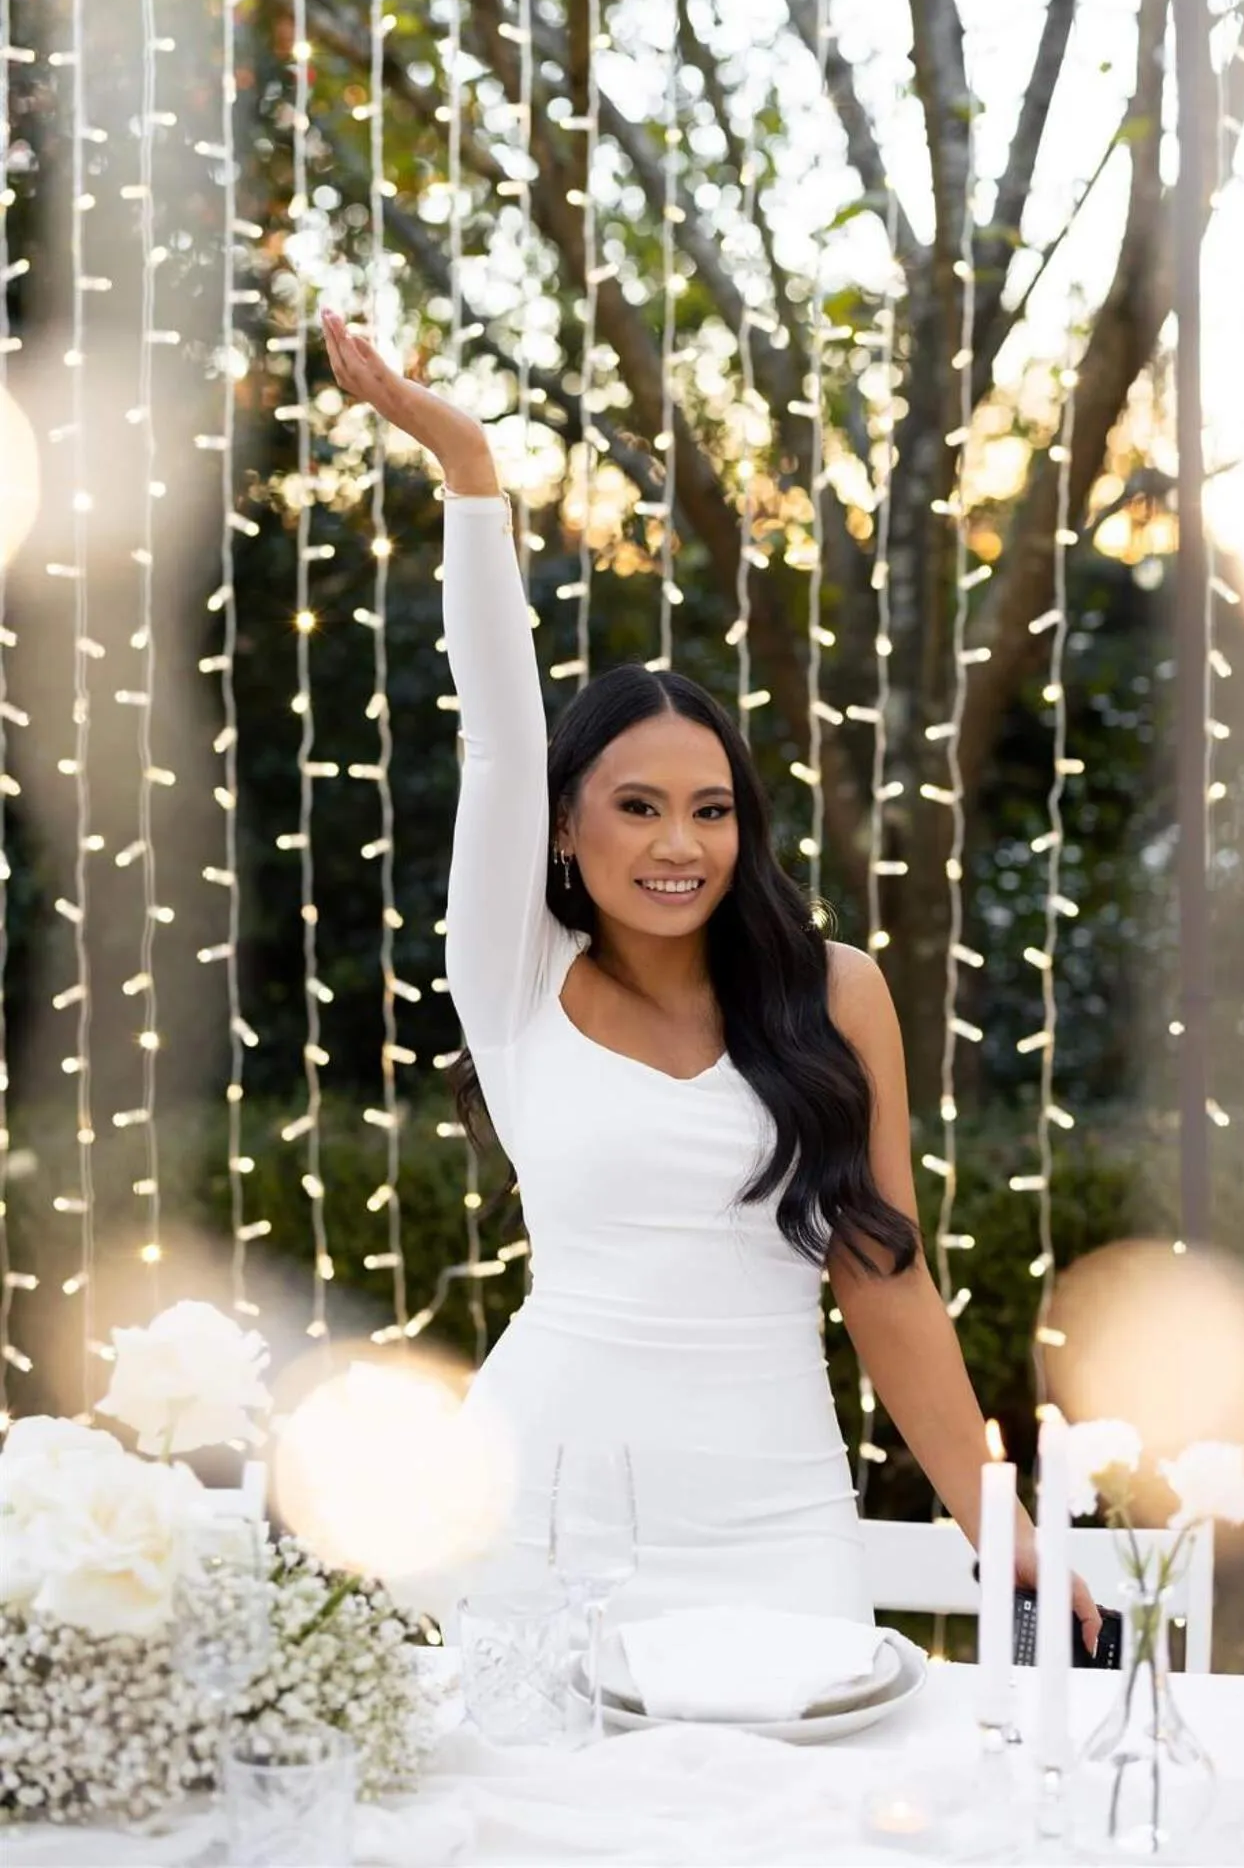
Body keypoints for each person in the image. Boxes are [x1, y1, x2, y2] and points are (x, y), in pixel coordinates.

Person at [320, 308, 1100, 1648]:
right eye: (636, 807)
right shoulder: (515, 980)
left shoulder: (836, 994)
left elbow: (887, 1281)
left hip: (777, 1518)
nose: (679, 845)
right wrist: (468, 470)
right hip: (538, 1510)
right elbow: (503, 741)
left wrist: (1004, 1534)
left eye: (712, 809)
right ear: (567, 826)